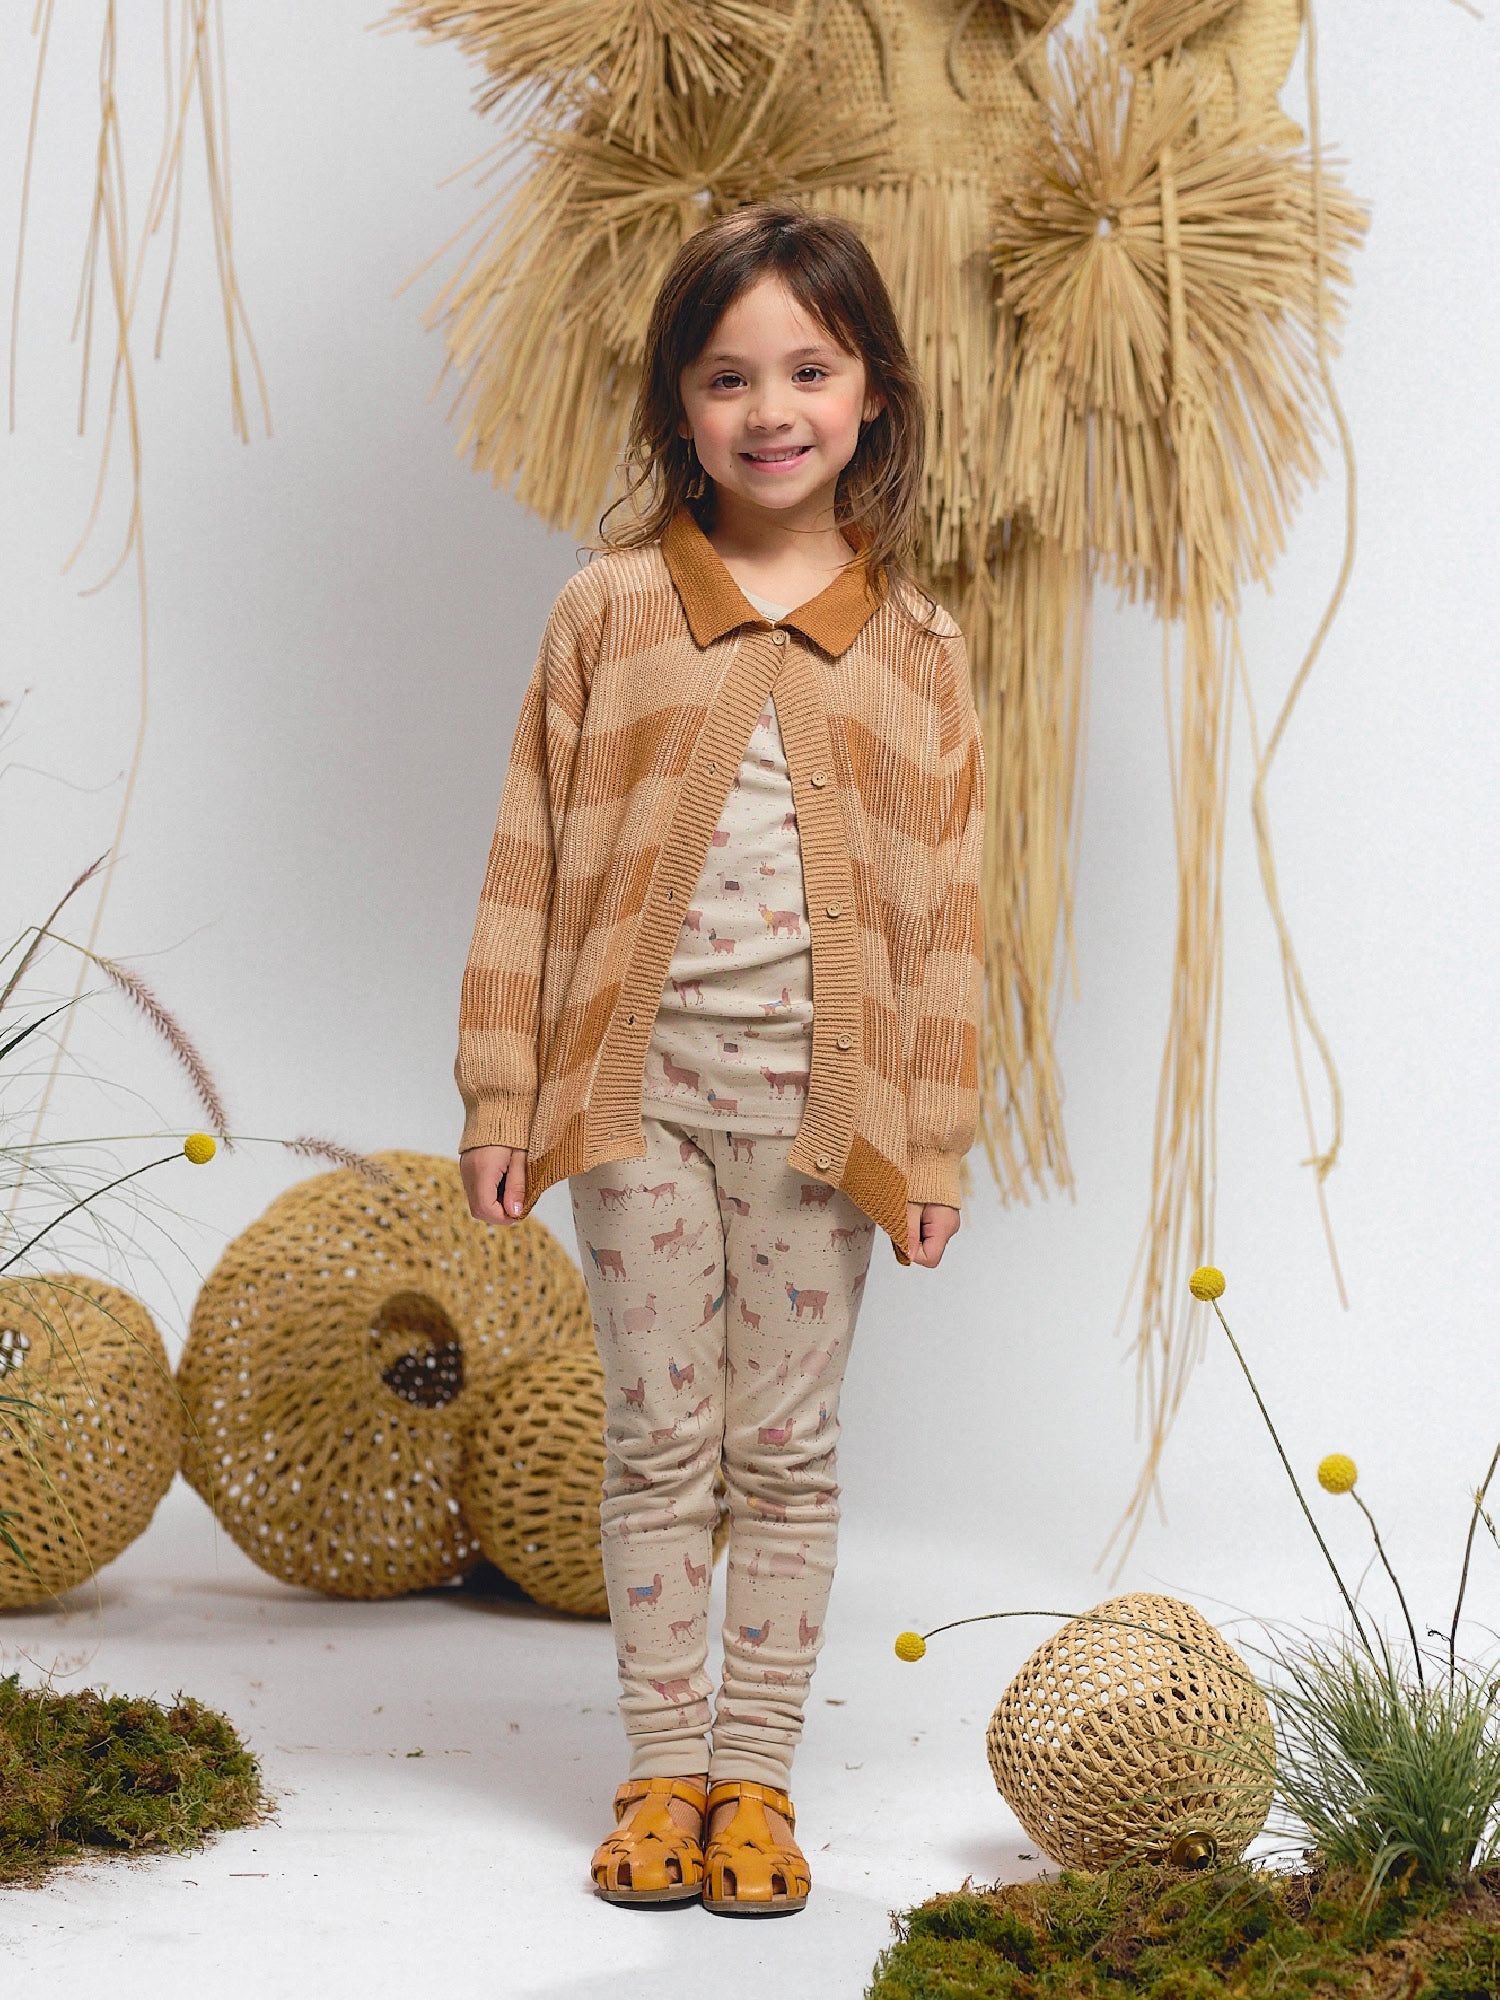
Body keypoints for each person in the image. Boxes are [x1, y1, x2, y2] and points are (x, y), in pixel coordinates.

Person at [457, 200, 986, 1916]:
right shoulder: (607, 613)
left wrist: (939, 1142)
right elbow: (527, 855)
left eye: (810, 370)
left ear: (873, 395)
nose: (773, 409)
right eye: (728, 376)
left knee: (789, 1452)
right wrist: (499, 1094)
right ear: (678, 409)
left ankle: (754, 1775)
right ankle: (658, 1770)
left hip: (825, 1129)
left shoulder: (914, 648)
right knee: (658, 1443)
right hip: (630, 1109)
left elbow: (949, 915)